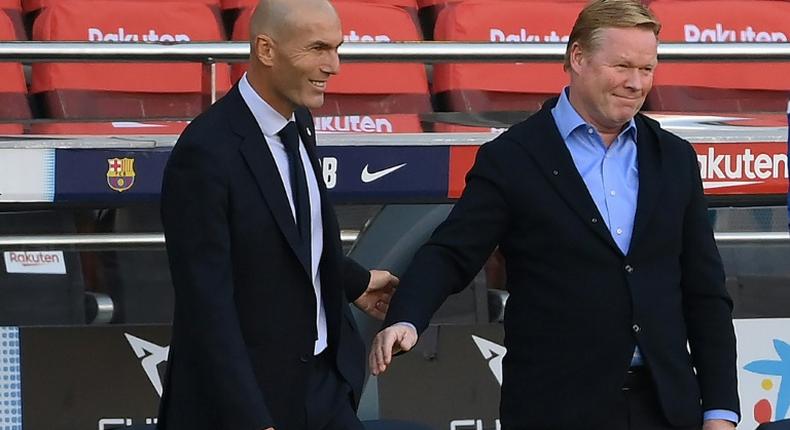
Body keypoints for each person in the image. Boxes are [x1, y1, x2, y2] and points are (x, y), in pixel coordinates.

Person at [370, 1, 740, 429]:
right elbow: (452, 253)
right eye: (622, 65)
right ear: (577, 58)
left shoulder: (674, 158)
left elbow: (705, 292)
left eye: (647, 69)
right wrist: (407, 317)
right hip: (555, 409)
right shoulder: (512, 158)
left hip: (665, 409)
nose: (636, 83)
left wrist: (720, 411)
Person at [157, 0, 398, 429]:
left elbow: (283, 238)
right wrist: (252, 418)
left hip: (324, 388)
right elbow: (206, 305)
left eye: (337, 48)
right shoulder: (204, 153)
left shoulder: (300, 120)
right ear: (266, 50)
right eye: (318, 48)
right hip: (250, 403)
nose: (334, 65)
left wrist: (354, 281)